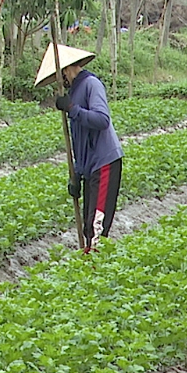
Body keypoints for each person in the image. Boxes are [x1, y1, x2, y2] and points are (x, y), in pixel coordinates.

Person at [35, 43, 123, 250]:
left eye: (60, 76)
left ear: (67, 70)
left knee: (97, 228)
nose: (60, 82)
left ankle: (93, 272)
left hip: (105, 162)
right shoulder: (73, 92)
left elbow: (102, 120)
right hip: (90, 167)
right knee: (87, 227)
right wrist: (76, 175)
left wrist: (72, 109)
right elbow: (80, 142)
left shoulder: (92, 84)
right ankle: (89, 268)